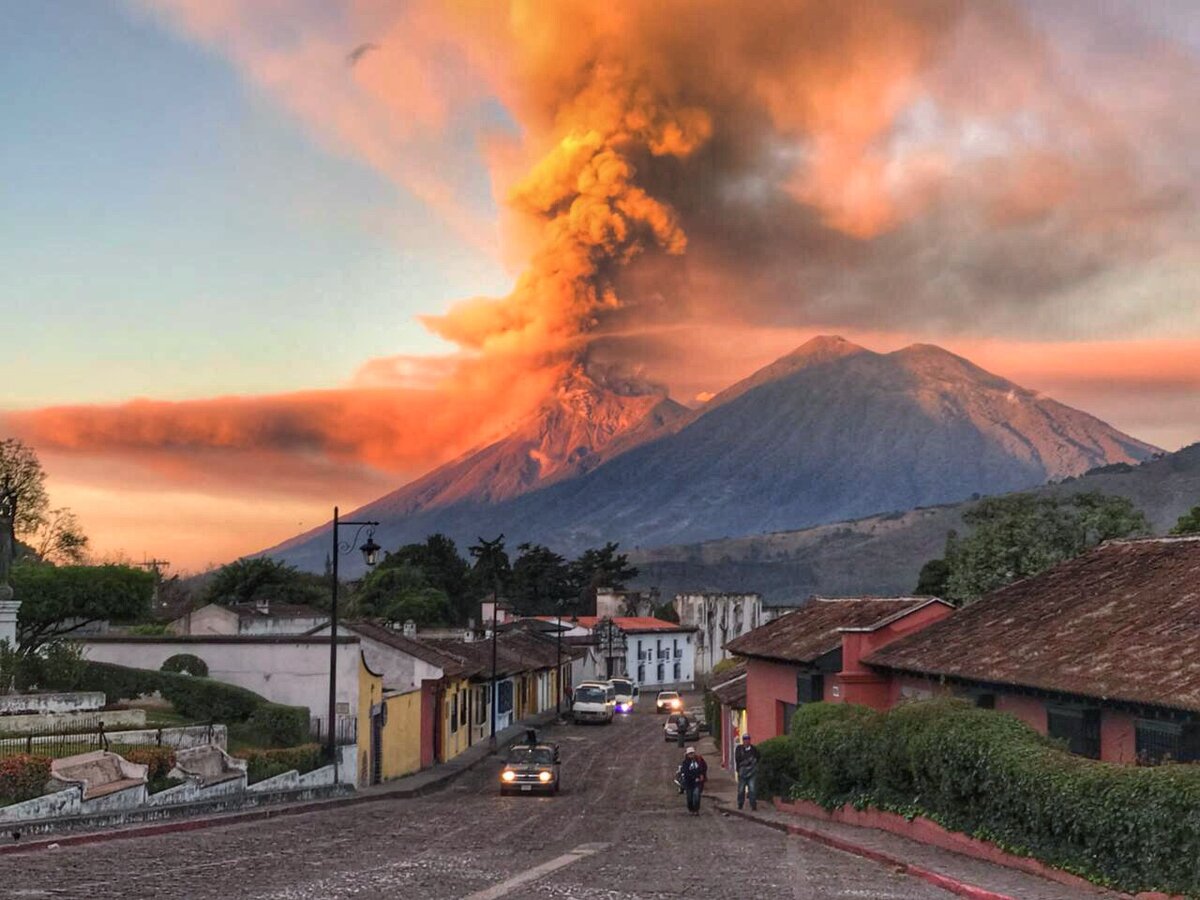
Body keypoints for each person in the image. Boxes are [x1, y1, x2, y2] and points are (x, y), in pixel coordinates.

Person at [678, 746, 707, 814]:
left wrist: (702, 775)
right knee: (690, 797)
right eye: (690, 754)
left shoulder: (699, 760)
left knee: (696, 795)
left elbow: (704, 767)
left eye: (692, 753)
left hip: (698, 783)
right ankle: (691, 809)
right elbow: (686, 772)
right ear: (687, 755)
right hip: (689, 783)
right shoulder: (685, 763)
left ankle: (696, 809)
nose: (691, 755)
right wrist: (694, 777)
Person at [734, 733, 759, 811]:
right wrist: (748, 760)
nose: (746, 741)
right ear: (743, 740)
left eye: (747, 739)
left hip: (752, 773)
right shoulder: (739, 749)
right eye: (745, 739)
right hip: (742, 774)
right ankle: (740, 804)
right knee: (741, 790)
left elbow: (758, 757)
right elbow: (738, 759)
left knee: (752, 789)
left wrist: (752, 761)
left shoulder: (754, 749)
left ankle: (753, 805)